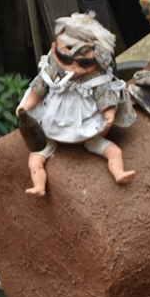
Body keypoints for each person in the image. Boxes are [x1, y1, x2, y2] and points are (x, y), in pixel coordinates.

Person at [16, 12, 136, 196]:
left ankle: (119, 173)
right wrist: (25, 105)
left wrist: (109, 114)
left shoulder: (96, 78)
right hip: (51, 129)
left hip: (87, 130)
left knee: (114, 152)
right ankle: (39, 186)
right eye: (65, 58)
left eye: (84, 62)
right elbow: (38, 88)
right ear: (54, 49)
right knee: (35, 160)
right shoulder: (53, 71)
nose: (73, 65)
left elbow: (105, 96)